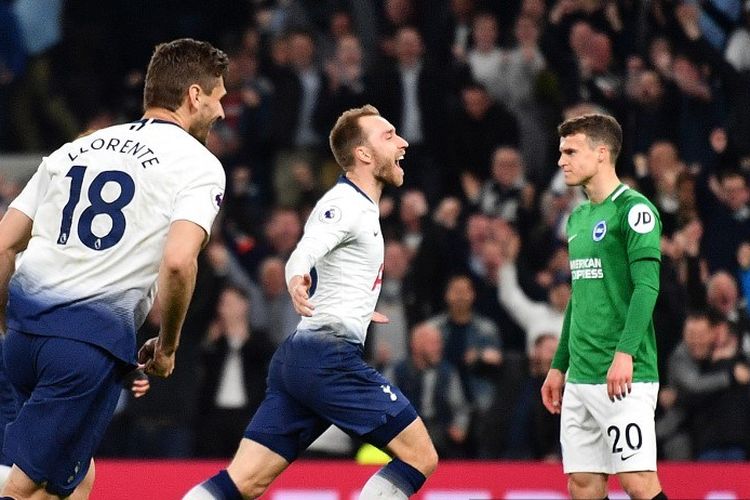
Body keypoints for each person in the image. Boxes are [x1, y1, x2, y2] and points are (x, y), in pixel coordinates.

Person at [0, 38, 227, 499]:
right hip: (84, 349)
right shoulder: (198, 164)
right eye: (220, 97)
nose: (222, 111)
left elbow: (4, 245)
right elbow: (180, 261)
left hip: (23, 340)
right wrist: (167, 347)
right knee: (20, 490)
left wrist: (5, 323)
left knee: (75, 479)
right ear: (194, 95)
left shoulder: (75, 149)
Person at [184, 105, 438, 499]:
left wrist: (356, 306)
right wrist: (296, 279)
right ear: (364, 154)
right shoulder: (345, 204)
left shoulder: (362, 207)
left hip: (301, 361)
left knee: (244, 482)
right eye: (389, 135)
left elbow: (334, 267)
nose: (403, 142)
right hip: (328, 359)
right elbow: (305, 252)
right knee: (421, 457)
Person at [540, 114, 668, 500]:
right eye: (561, 152)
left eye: (570, 151)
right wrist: (558, 365)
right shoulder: (577, 217)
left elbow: (647, 287)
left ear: (601, 153)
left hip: (624, 375)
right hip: (580, 377)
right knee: (583, 484)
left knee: (637, 482)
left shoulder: (634, 210)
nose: (562, 160)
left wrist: (625, 353)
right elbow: (580, 296)